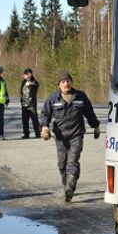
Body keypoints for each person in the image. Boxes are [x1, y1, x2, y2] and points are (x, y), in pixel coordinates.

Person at [40, 71, 100, 202]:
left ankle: (70, 187)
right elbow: (45, 114)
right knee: (62, 164)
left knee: (72, 162)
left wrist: (96, 126)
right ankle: (66, 185)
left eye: (68, 81)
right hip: (60, 137)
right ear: (59, 85)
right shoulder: (53, 98)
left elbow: (89, 112)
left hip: (76, 135)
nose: (66, 83)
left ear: (71, 82)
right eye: (63, 82)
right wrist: (44, 127)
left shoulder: (80, 96)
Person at [20, 68, 40, 139]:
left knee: (35, 119)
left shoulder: (34, 82)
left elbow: (35, 88)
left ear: (30, 74)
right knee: (24, 120)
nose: (25, 75)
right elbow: (21, 93)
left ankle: (38, 133)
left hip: (32, 104)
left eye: (27, 74)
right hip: (24, 104)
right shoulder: (23, 82)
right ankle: (26, 134)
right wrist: (21, 101)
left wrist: (29, 85)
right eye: (25, 74)